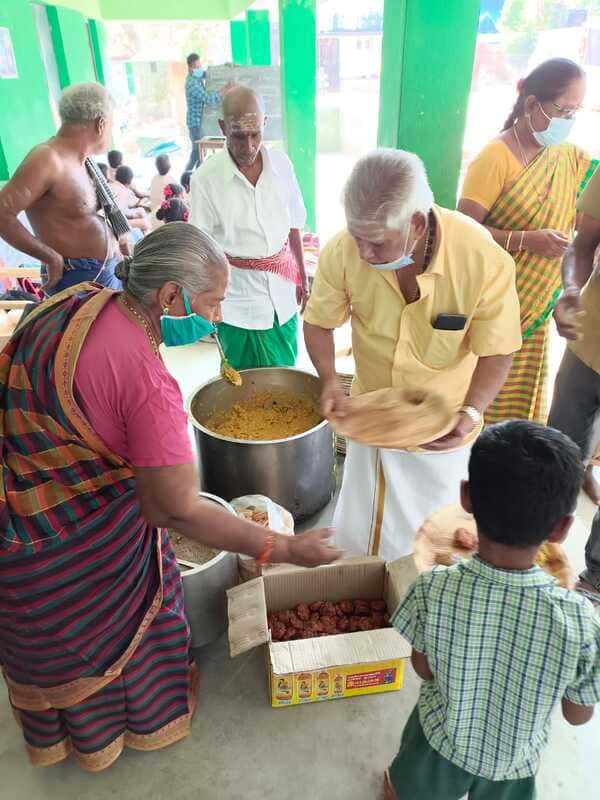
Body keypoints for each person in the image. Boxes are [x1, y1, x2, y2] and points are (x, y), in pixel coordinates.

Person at [0, 222, 339, 772]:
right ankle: (126, 728)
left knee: (49, 643)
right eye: (214, 301)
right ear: (170, 296)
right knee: (130, 612)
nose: (218, 316)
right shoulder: (147, 381)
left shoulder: (75, 302)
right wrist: (284, 547)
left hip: (23, 512)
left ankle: (61, 735)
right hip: (80, 548)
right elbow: (170, 508)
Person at [303, 149, 521, 559]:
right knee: (360, 540)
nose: (364, 252)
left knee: (432, 548)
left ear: (416, 224)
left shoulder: (482, 258)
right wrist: (330, 379)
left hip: (443, 435)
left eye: (377, 242)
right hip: (372, 422)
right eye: (356, 237)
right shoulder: (343, 250)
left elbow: (498, 350)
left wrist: (472, 411)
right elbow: (318, 322)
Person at [386, 421, 600, 800]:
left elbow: (423, 668)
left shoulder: (434, 587)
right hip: (514, 765)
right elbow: (577, 714)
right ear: (563, 528)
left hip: (437, 742)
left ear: (466, 497)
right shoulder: (580, 621)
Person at [458, 58, 590, 424]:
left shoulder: (567, 158)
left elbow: (582, 224)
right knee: (482, 401)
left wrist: (572, 278)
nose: (568, 120)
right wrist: (525, 241)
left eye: (575, 111)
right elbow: (464, 231)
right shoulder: (495, 157)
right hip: (496, 306)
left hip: (538, 307)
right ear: (532, 104)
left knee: (520, 406)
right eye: (563, 109)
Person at [190, 86, 309, 370]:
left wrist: (302, 275)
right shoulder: (206, 179)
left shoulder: (282, 165)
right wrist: (204, 300)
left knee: (287, 381)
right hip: (237, 305)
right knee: (243, 389)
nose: (249, 146)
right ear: (222, 128)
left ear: (265, 123)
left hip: (283, 295)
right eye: (238, 136)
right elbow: (201, 249)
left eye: (255, 134)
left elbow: (294, 226)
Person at [0, 82, 129, 294]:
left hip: (103, 271)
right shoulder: (47, 158)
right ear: (101, 124)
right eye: (112, 126)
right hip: (77, 278)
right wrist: (50, 257)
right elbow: (3, 212)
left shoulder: (82, 160)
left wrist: (119, 239)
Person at [548, 165, 600, 600]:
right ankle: (539, 550)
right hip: (588, 343)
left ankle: (595, 578)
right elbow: (582, 245)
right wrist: (570, 289)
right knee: (561, 453)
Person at [184, 53, 233, 174]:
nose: (200, 68)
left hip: (199, 121)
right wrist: (225, 89)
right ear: (190, 68)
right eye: (197, 66)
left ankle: (192, 177)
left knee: (199, 152)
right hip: (194, 123)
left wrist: (225, 67)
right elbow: (208, 99)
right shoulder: (192, 83)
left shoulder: (197, 77)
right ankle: (188, 177)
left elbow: (210, 74)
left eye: (200, 65)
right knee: (197, 151)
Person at [112, 165, 151, 234]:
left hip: (112, 218)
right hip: (116, 223)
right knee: (145, 221)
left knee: (139, 212)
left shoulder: (112, 185)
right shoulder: (125, 191)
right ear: (130, 181)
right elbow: (135, 204)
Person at [149, 154, 175, 227]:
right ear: (169, 165)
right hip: (163, 213)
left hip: (153, 210)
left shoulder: (154, 178)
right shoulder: (170, 180)